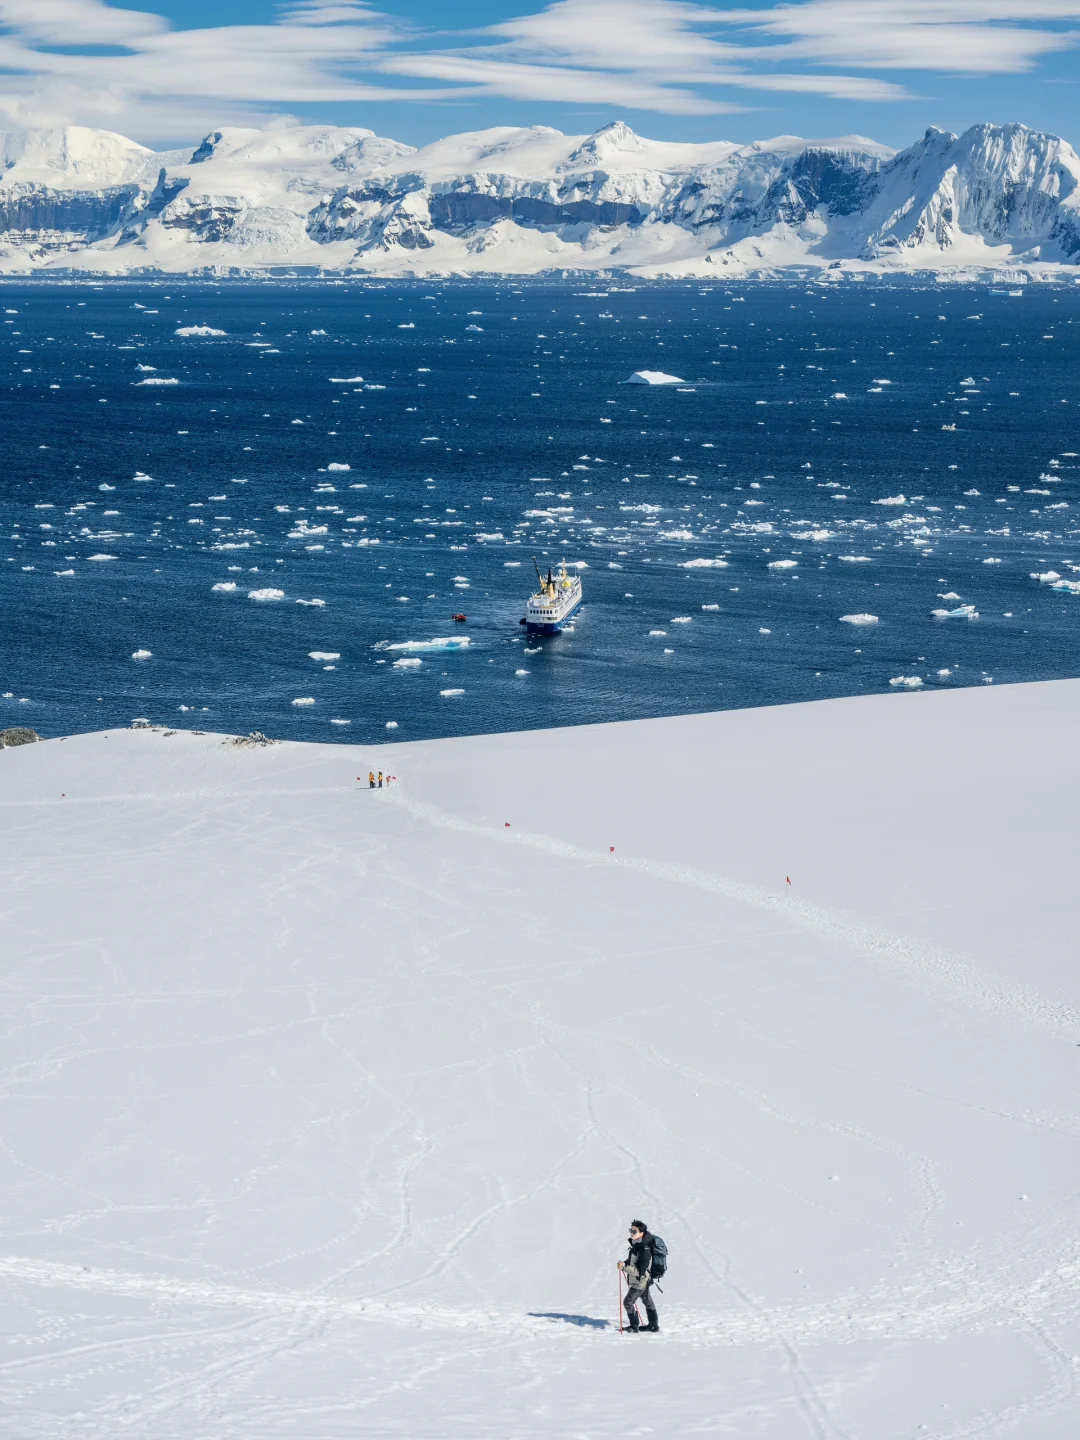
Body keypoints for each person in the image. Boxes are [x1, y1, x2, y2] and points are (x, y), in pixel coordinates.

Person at [618, 1220, 659, 1333]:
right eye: (630, 1230)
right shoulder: (636, 1245)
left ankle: (634, 1326)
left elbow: (640, 1271)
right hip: (644, 1281)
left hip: (640, 1282)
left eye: (634, 1231)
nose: (631, 1233)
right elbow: (633, 1262)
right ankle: (653, 1325)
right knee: (648, 1302)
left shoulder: (644, 1250)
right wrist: (624, 1263)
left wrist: (624, 1268)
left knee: (628, 1302)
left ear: (641, 1233)